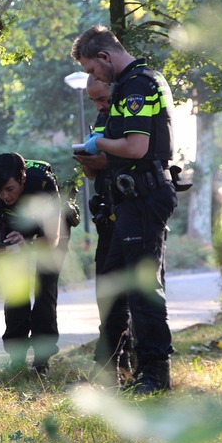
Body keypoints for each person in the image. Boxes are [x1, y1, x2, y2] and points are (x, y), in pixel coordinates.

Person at [71, 25, 178, 393]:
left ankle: (155, 375)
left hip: (144, 197)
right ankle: (119, 368)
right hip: (130, 201)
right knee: (116, 283)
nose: (93, 77)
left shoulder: (136, 85)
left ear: (104, 57)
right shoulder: (134, 83)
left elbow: (135, 149)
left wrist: (97, 140)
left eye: (90, 70)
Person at [0, 152, 65, 374]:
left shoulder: (43, 184)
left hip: (47, 233)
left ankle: (42, 359)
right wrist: (1, 250)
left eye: (10, 189)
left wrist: (28, 246)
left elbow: (52, 239)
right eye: (0, 191)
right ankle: (16, 357)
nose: (4, 196)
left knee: (44, 289)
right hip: (12, 229)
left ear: (23, 179)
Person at [73, 75, 134, 385]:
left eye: (102, 99)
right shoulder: (101, 118)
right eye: (94, 101)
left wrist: (104, 158)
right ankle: (114, 361)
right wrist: (87, 160)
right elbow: (93, 170)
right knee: (106, 290)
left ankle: (119, 361)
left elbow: (131, 157)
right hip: (106, 215)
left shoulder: (129, 115)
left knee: (126, 292)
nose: (99, 106)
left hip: (132, 212)